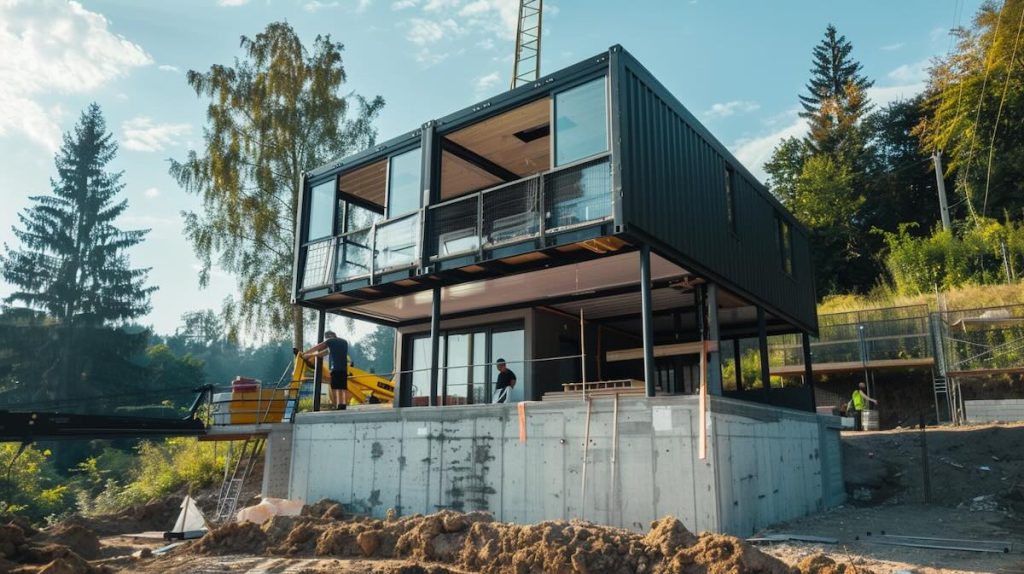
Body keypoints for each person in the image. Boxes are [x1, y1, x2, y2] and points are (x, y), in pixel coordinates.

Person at [303, 331, 350, 410]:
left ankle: (337, 404)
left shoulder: (330, 341)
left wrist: (305, 353)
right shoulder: (344, 342)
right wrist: (312, 356)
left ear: (329, 336)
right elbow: (323, 353)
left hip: (335, 368)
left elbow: (317, 347)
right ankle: (343, 404)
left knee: (335, 387)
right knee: (343, 387)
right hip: (344, 368)